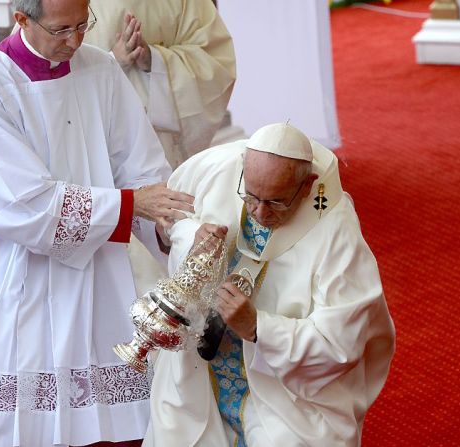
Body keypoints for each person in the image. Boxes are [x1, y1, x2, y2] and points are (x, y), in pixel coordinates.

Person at [0, 0, 193, 445]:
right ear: (21, 19)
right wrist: (130, 206)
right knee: (30, 427)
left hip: (102, 278)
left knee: (113, 425)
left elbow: (140, 165)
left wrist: (170, 228)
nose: (74, 41)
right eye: (60, 30)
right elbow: (20, 205)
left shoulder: (101, 70)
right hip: (26, 281)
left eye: (82, 25)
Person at [145, 123, 396, 446]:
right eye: (250, 196)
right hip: (198, 372)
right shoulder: (219, 168)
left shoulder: (336, 232)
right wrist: (191, 238)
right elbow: (168, 222)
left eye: (276, 202)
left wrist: (258, 327)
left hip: (286, 396)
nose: (259, 213)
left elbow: (342, 343)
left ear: (307, 187)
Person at [84, 0, 236, 169]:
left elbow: (213, 62)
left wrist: (155, 60)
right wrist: (113, 61)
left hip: (159, 145)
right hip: (98, 138)